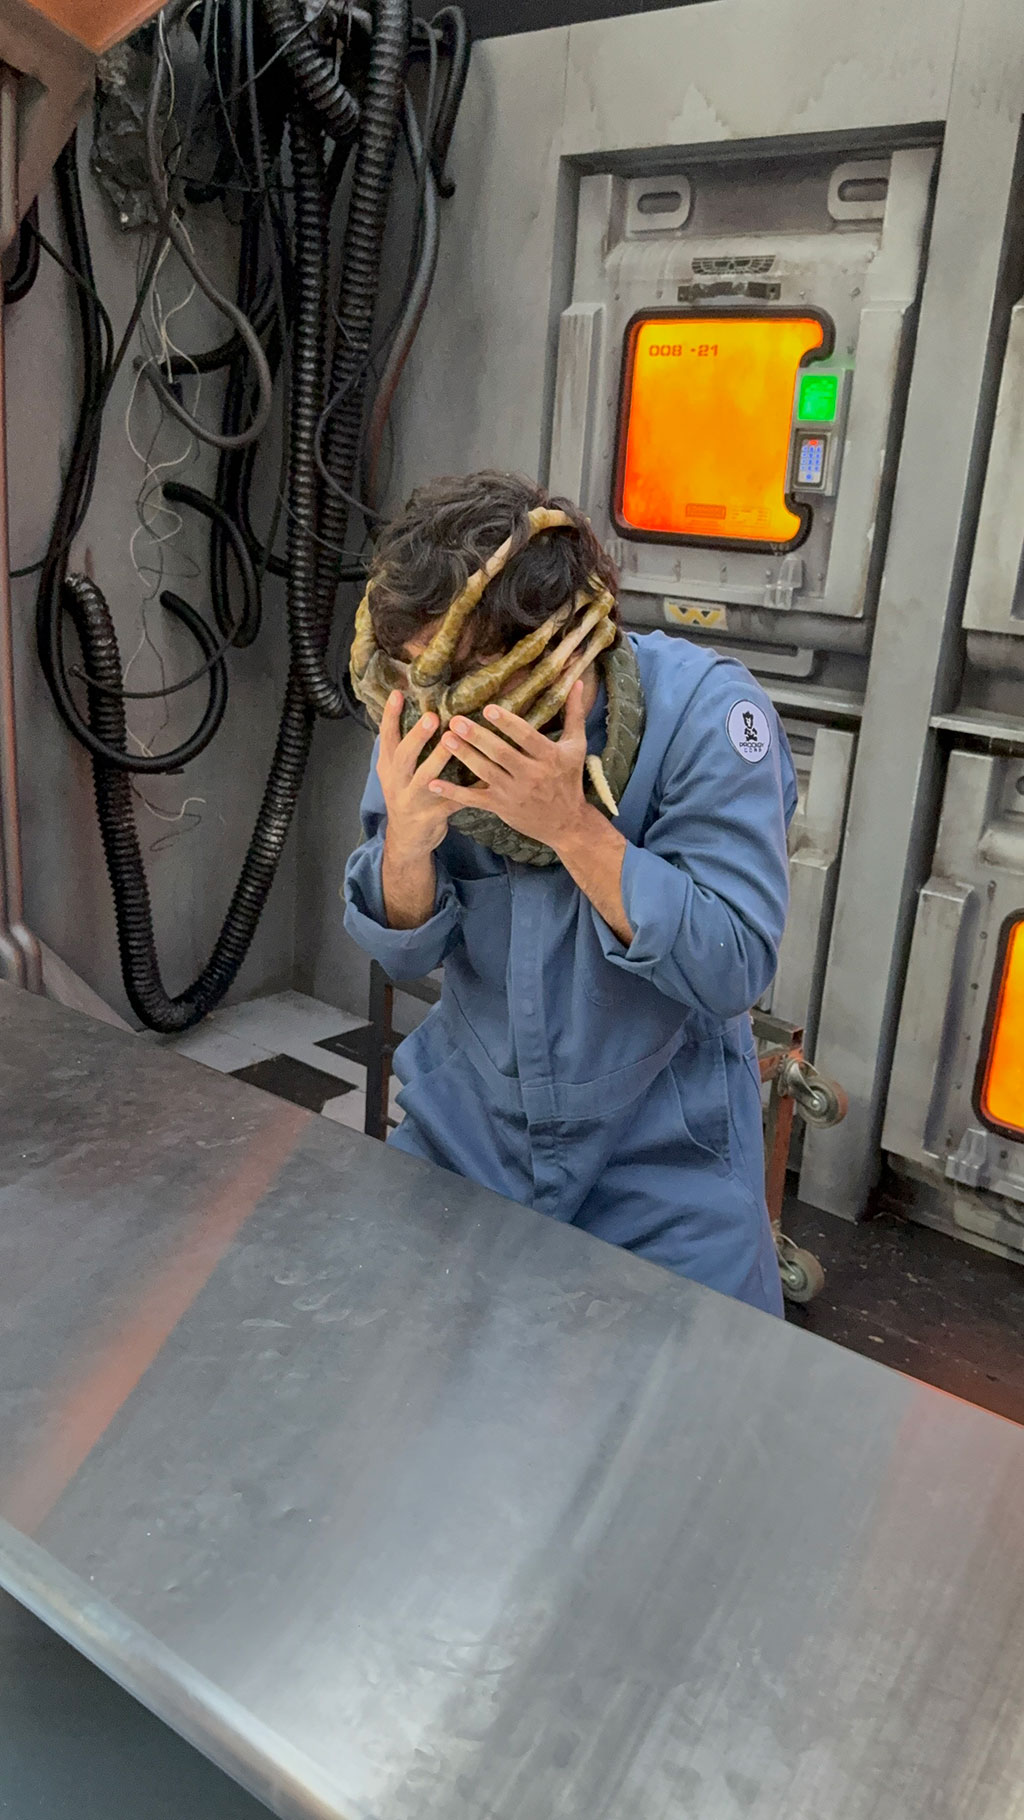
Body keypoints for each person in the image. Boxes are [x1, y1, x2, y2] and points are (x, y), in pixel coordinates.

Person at [344, 471, 798, 1315]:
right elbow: (400, 947)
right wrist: (407, 839)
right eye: (416, 671)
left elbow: (733, 961)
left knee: (696, 1381)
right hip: (473, 1128)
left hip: (665, 1157)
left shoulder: (706, 715)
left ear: (562, 655)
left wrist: (572, 829)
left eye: (471, 676)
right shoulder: (426, 715)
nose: (442, 711)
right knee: (387, 1345)